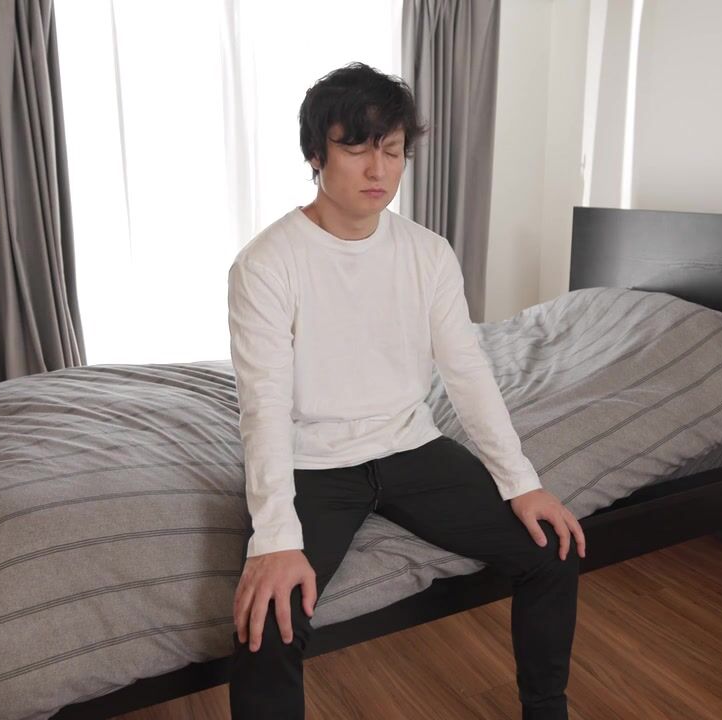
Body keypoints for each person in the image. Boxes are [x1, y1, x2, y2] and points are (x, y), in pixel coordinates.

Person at [226, 61, 585, 720]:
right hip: (313, 461)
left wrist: (522, 482)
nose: (378, 169)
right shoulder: (266, 263)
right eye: (356, 148)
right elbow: (264, 406)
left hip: (410, 446)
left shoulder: (428, 253)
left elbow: (467, 371)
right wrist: (274, 537)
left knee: (551, 553)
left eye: (392, 151)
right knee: (269, 622)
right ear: (315, 154)